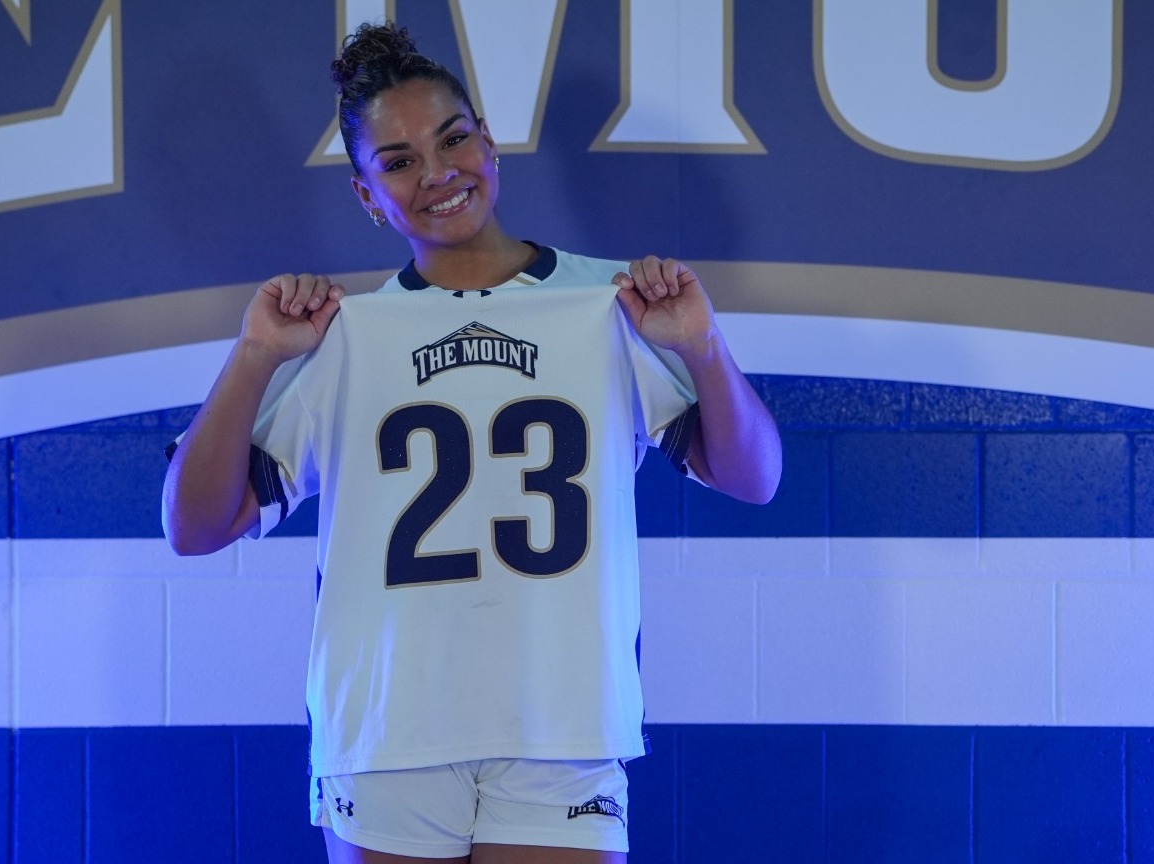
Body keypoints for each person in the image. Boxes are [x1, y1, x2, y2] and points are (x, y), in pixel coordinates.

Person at [162, 21, 781, 864]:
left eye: (452, 139)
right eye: (398, 161)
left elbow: (754, 478)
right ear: (365, 194)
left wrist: (702, 346)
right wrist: (253, 354)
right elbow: (193, 527)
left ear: (488, 144)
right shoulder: (338, 333)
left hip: (562, 723)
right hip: (386, 729)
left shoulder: (613, 303)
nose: (437, 173)